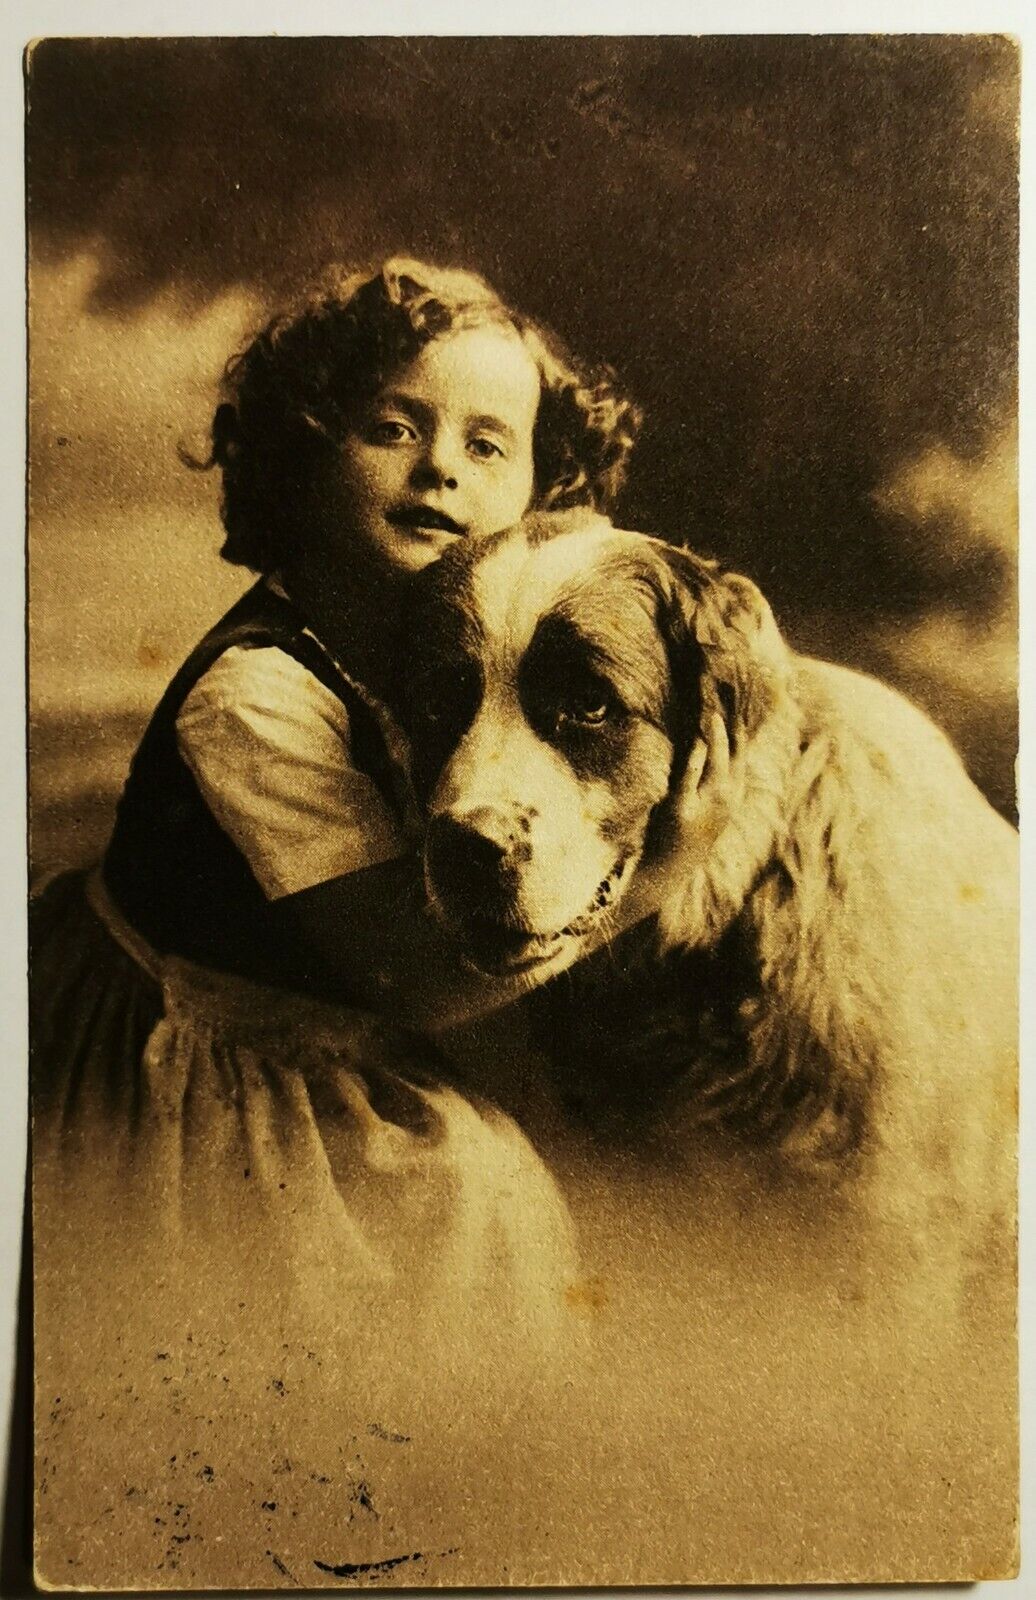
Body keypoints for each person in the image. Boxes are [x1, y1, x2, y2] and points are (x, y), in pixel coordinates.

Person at [31, 257, 642, 1355]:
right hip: (222, 1057)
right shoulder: (256, 692)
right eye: (393, 429)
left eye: (486, 444)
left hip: (326, 996)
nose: (440, 471)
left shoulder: (436, 653)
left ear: (541, 495)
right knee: (460, 1212)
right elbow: (412, 977)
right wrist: (661, 869)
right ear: (303, 453)